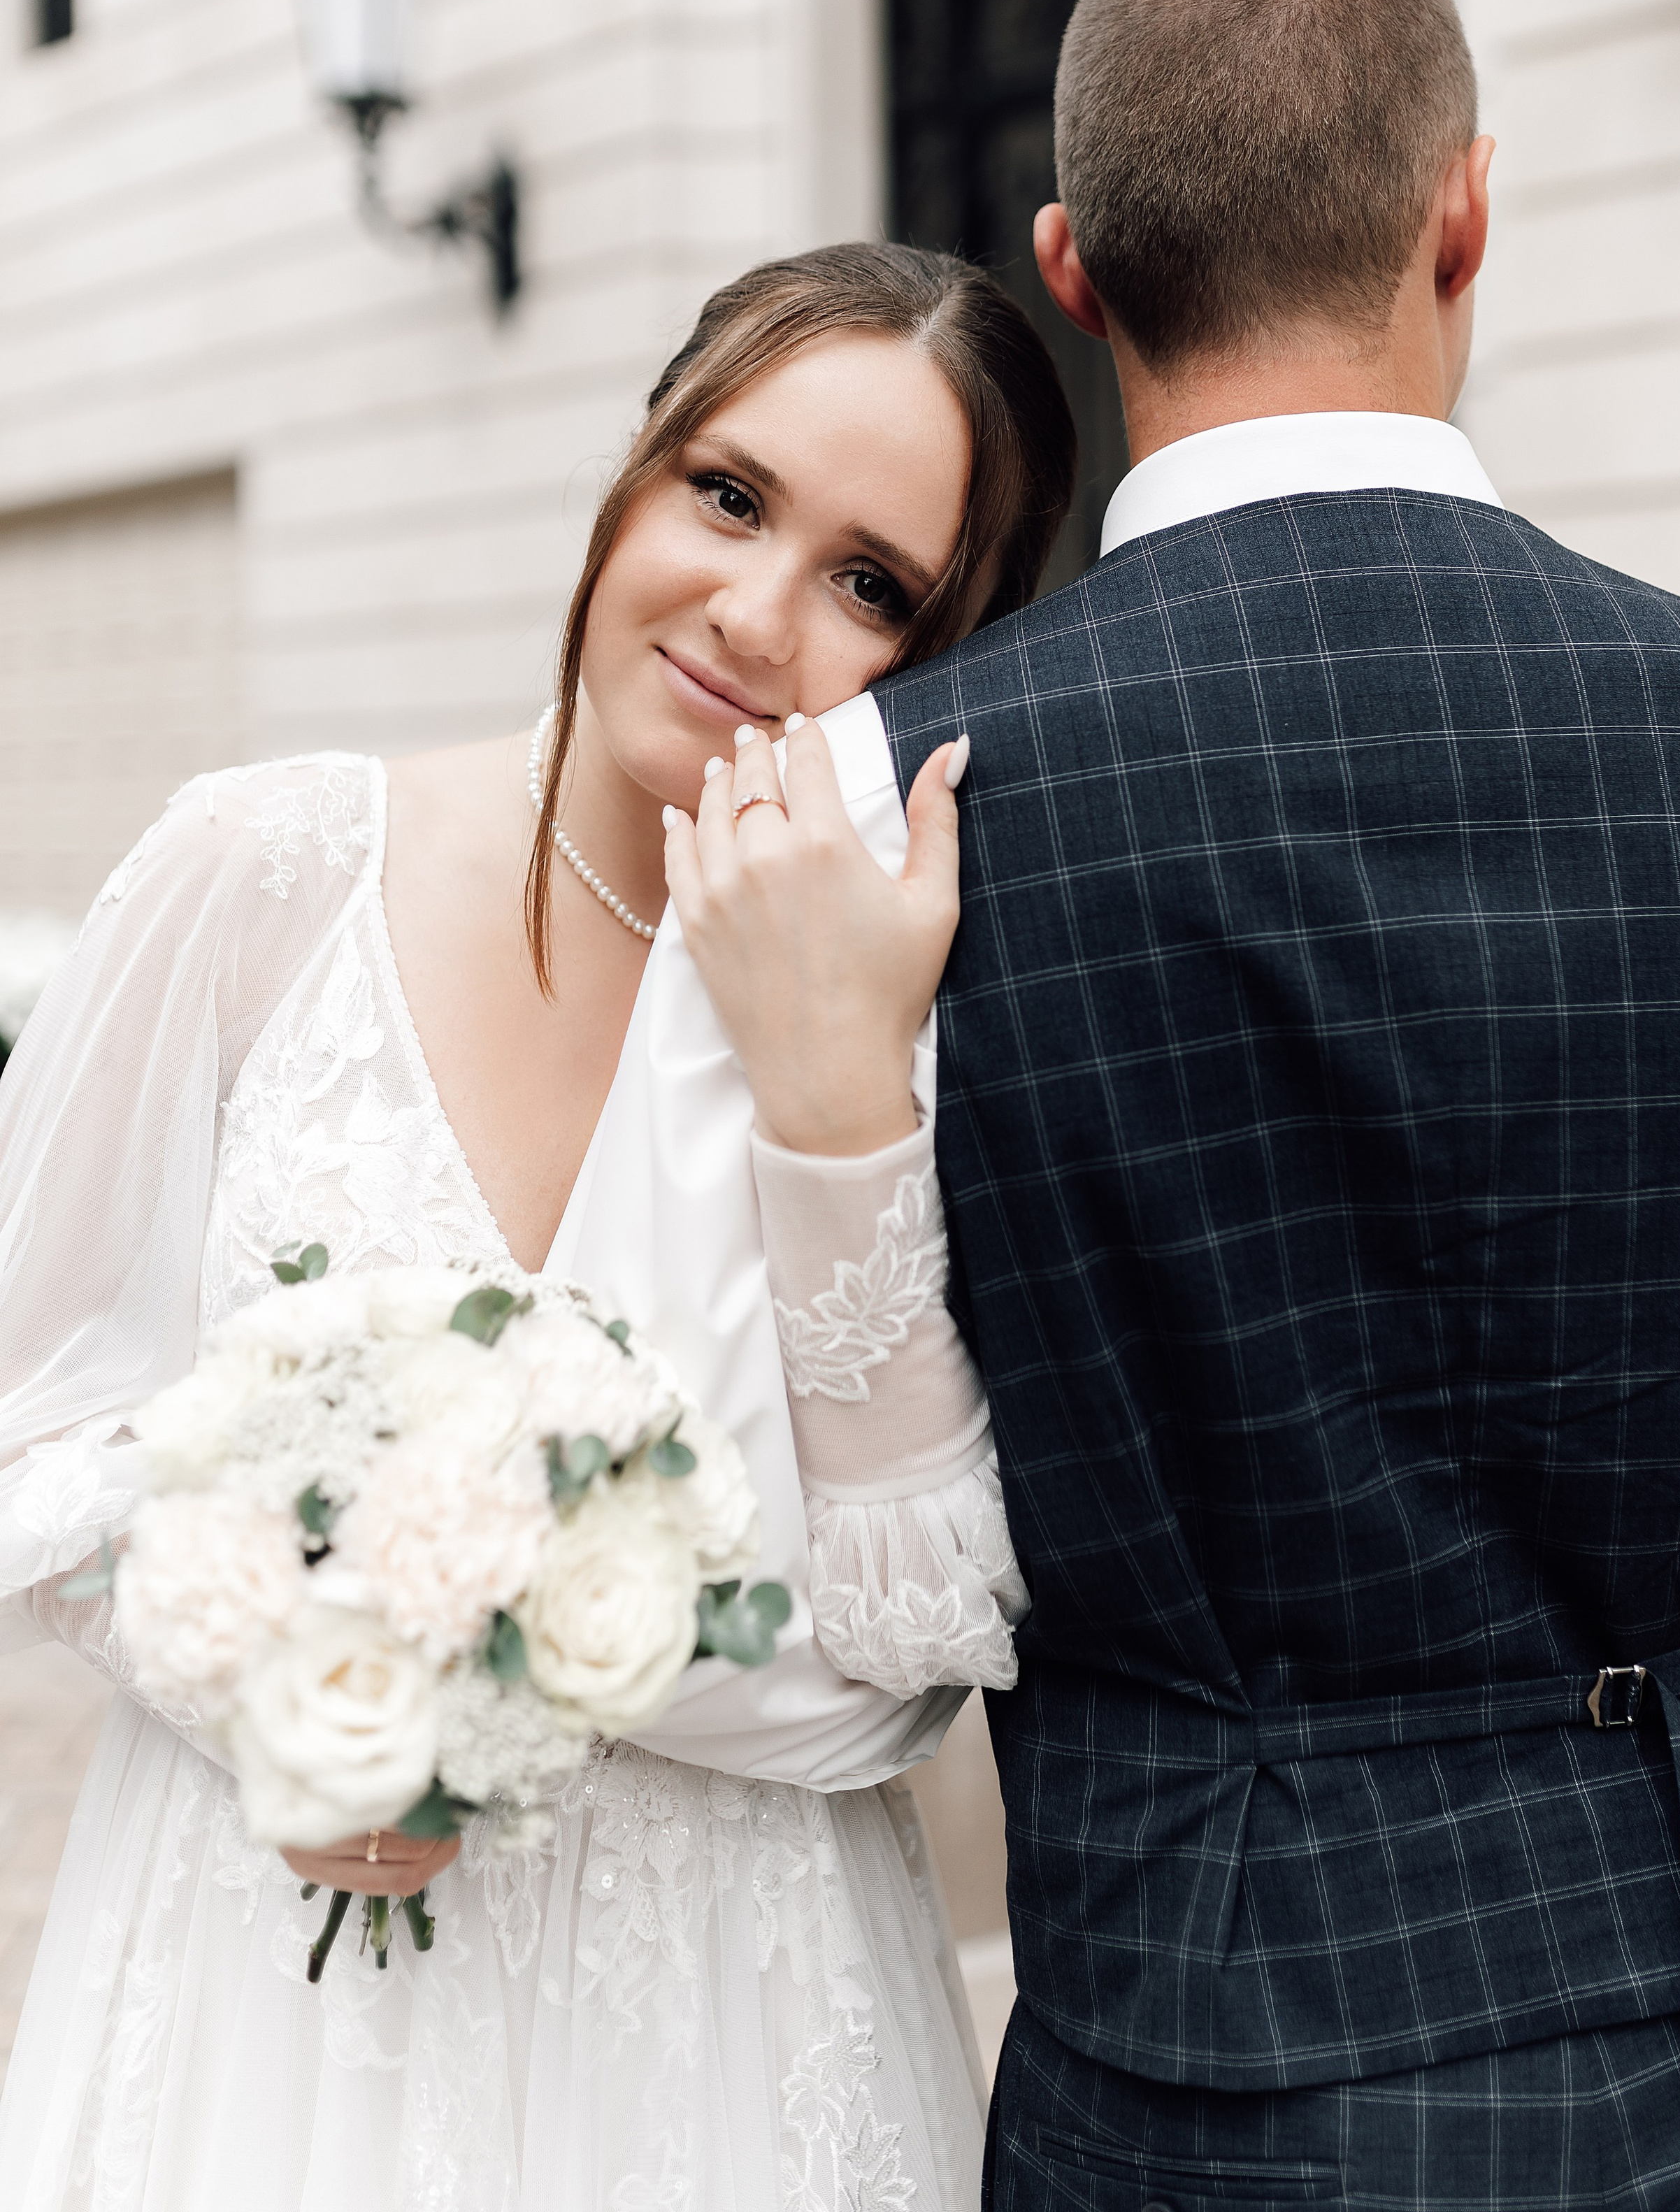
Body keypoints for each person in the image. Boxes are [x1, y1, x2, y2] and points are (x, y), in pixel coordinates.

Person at [670, 0, 1680, 2207]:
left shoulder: (862, 817)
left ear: (1071, 266)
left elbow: (865, 1502)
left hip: (1195, 2056)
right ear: (1464, 219)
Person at [0, 242, 1075, 2212]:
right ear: (636, 466)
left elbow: (925, 1642)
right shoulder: (260, 872)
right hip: (274, 2008)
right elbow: (28, 1428)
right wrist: (302, 1683)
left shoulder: (934, 1003)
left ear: (947, 656)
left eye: (869, 586)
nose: (755, 614)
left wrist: (838, 1093)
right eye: (727, 494)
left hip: (733, 2037)